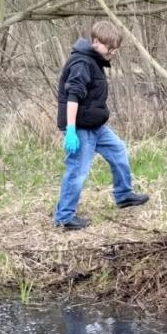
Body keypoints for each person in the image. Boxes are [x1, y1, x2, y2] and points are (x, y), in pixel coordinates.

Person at [53, 19, 149, 229]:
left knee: (118, 151)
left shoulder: (93, 61)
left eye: (114, 49)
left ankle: (123, 195)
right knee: (77, 171)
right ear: (95, 41)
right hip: (80, 128)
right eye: (109, 47)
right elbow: (72, 96)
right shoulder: (81, 63)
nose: (112, 52)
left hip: (96, 126)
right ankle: (64, 217)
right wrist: (70, 130)